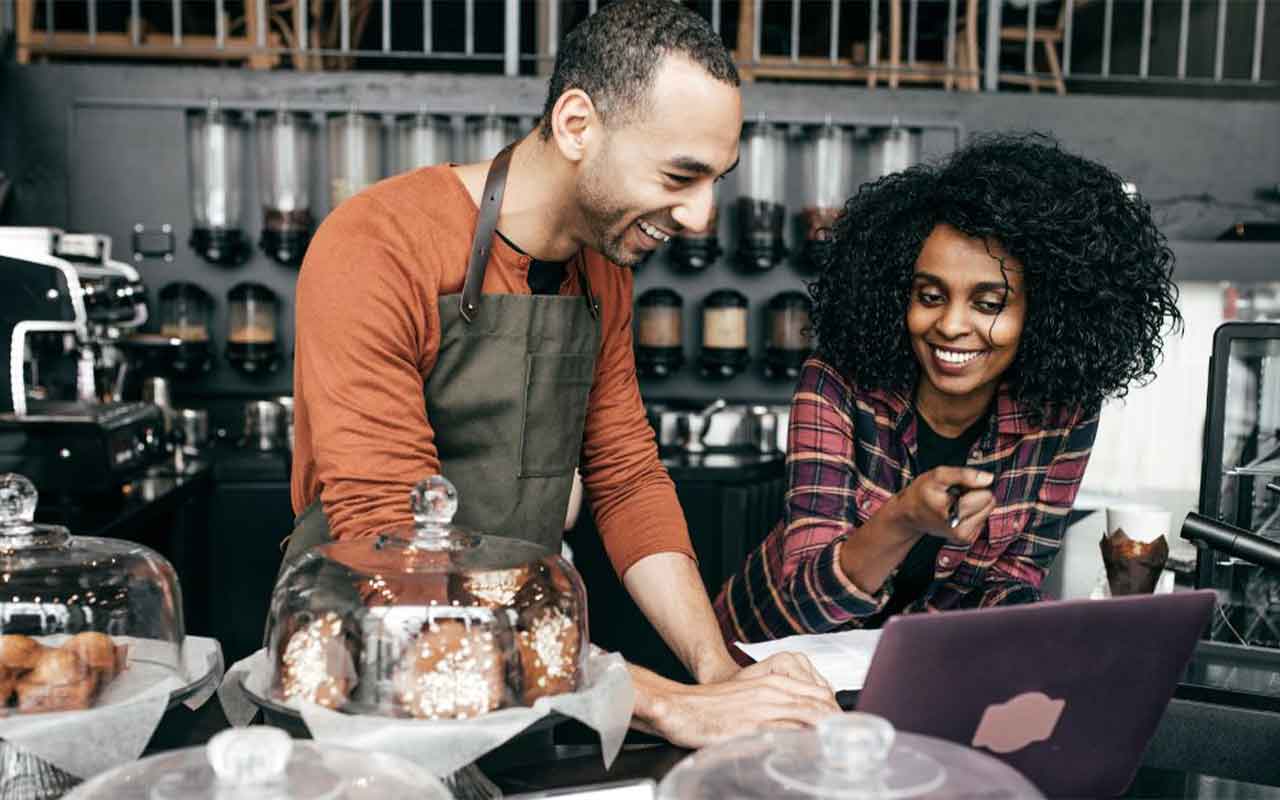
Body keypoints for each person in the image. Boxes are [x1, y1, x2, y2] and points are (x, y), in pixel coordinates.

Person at [290, 0, 835, 747]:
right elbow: (398, 549)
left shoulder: (601, 269)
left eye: (717, 180)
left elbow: (625, 475)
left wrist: (718, 674)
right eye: (682, 174)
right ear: (578, 124)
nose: (704, 217)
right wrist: (664, 702)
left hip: (527, 679)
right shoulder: (379, 245)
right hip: (367, 683)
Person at [716, 133, 1183, 645]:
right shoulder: (836, 384)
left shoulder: (1062, 412)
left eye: (988, 304)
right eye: (930, 295)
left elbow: (1013, 578)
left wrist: (1056, 632)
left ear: (1045, 311)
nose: (951, 325)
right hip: (762, 661)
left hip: (911, 671)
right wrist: (906, 517)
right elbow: (808, 601)